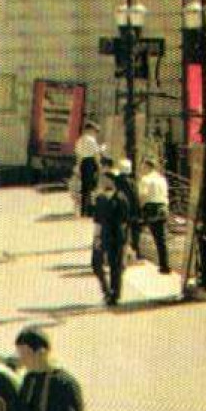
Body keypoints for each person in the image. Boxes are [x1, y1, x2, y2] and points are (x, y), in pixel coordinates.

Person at [92, 175, 130, 306]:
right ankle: (106, 290)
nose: (102, 182)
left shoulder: (121, 198)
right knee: (96, 264)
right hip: (104, 234)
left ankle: (115, 294)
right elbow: (97, 220)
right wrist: (96, 237)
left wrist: (126, 242)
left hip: (117, 235)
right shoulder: (100, 199)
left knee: (116, 266)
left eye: (106, 180)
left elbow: (125, 220)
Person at [136, 158, 171, 274]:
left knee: (136, 230)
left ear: (147, 167)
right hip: (163, 208)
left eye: (143, 167)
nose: (142, 169)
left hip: (150, 208)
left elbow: (143, 195)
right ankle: (164, 264)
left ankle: (137, 255)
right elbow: (166, 194)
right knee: (161, 239)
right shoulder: (162, 179)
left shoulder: (145, 179)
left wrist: (139, 209)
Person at [75, 123, 103, 216]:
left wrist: (79, 168)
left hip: (83, 163)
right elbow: (96, 155)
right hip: (91, 163)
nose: (95, 133)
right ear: (90, 130)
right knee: (92, 187)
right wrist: (99, 166)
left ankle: (83, 210)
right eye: (94, 131)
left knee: (84, 188)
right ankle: (90, 211)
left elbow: (78, 156)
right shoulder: (92, 140)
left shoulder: (80, 140)